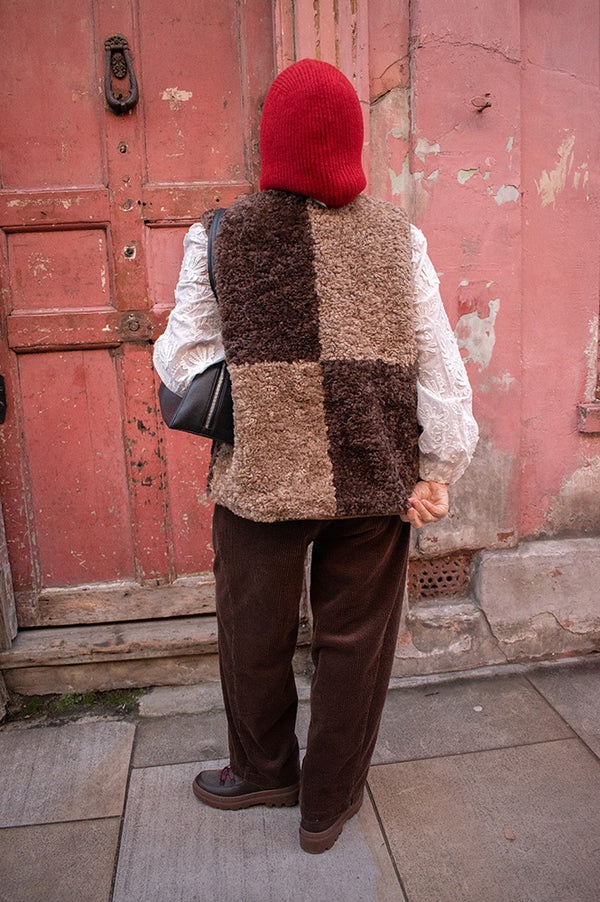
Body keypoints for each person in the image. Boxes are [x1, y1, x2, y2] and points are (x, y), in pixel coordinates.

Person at [153, 58, 478, 854]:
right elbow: (441, 370)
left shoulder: (221, 233)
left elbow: (181, 361)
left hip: (260, 480)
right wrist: (438, 472)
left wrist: (269, 394)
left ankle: (264, 771)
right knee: (356, 646)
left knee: (253, 636)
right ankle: (325, 806)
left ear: (273, 142)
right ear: (353, 144)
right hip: (376, 484)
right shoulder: (399, 239)